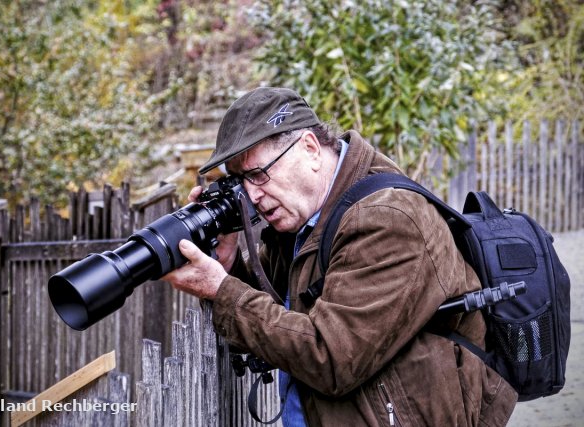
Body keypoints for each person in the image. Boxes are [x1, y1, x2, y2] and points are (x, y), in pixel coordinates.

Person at [163, 87, 517, 426]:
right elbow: (275, 318)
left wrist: (221, 290)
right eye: (241, 181)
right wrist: (228, 264)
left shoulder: (386, 219)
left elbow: (331, 357)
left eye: (258, 174)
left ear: (310, 148)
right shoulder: (310, 216)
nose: (251, 196)